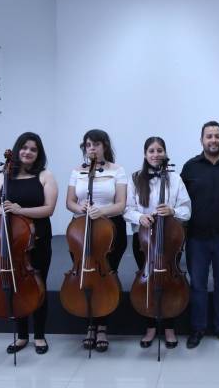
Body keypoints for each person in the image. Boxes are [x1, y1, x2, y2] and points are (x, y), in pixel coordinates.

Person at [0, 132, 58, 355]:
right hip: (10, 242)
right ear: (17, 150)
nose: (28, 152)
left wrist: (20, 210)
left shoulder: (45, 176)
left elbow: (49, 209)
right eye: (24, 148)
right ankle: (22, 336)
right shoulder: (1, 177)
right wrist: (4, 210)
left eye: (33, 149)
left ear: (38, 154)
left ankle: (39, 336)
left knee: (38, 286)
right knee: (14, 285)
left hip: (37, 239)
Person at [181, 120, 219, 348]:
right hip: (197, 237)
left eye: (217, 136)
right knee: (197, 285)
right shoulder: (190, 167)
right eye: (209, 136)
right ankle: (198, 329)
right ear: (202, 140)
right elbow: (182, 201)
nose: (213, 140)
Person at [124, 136, 191, 349]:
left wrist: (172, 210)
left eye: (159, 150)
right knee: (148, 283)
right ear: (145, 154)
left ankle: (170, 327)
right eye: (151, 150)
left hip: (170, 239)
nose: (156, 154)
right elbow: (127, 208)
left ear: (165, 152)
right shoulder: (135, 178)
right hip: (144, 240)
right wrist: (139, 218)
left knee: (169, 282)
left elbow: (187, 210)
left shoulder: (175, 178)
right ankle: (150, 327)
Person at [65, 129, 127, 352]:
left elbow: (121, 204)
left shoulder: (117, 171)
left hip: (110, 230)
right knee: (85, 277)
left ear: (105, 146)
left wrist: (101, 211)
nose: (92, 148)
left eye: (97, 144)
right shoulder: (77, 171)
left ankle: (103, 327)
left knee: (106, 278)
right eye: (88, 145)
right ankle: (89, 324)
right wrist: (78, 207)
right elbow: (69, 202)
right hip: (81, 231)